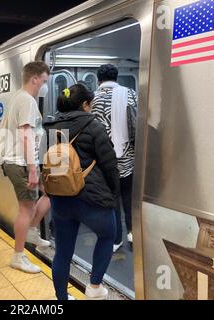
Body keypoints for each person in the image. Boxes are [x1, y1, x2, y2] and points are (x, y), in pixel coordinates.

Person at [44, 84, 119, 300]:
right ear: (85, 104)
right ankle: (94, 287)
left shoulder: (49, 128)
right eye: (90, 104)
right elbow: (109, 164)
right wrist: (113, 194)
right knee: (107, 235)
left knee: (63, 252)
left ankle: (62, 298)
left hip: (61, 200)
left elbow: (46, 163)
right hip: (91, 198)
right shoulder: (94, 126)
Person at [2, 61, 52, 274]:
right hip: (21, 162)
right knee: (25, 209)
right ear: (35, 78)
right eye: (44, 81)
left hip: (20, 161)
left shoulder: (18, 97)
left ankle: (32, 230)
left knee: (49, 192)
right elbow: (26, 135)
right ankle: (18, 257)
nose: (44, 85)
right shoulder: (27, 101)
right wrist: (33, 168)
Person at [91, 64, 138, 252]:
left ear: (98, 79)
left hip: (105, 161)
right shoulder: (130, 93)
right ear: (117, 77)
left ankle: (116, 239)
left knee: (112, 201)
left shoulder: (93, 98)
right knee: (129, 197)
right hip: (128, 158)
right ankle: (133, 234)